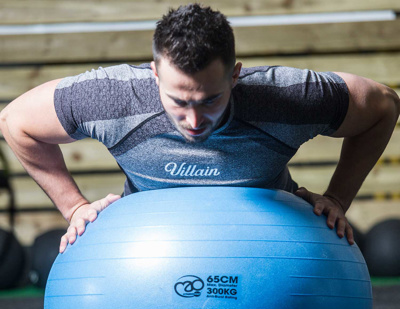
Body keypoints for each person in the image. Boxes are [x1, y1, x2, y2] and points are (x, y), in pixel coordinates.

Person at [0, 4, 399, 254]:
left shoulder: (286, 96)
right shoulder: (113, 97)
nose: (193, 121)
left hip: (267, 253)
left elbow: (384, 105)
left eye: (209, 99)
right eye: (179, 101)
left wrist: (338, 198)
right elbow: (15, 122)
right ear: (154, 75)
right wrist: (74, 207)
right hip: (157, 254)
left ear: (236, 77)